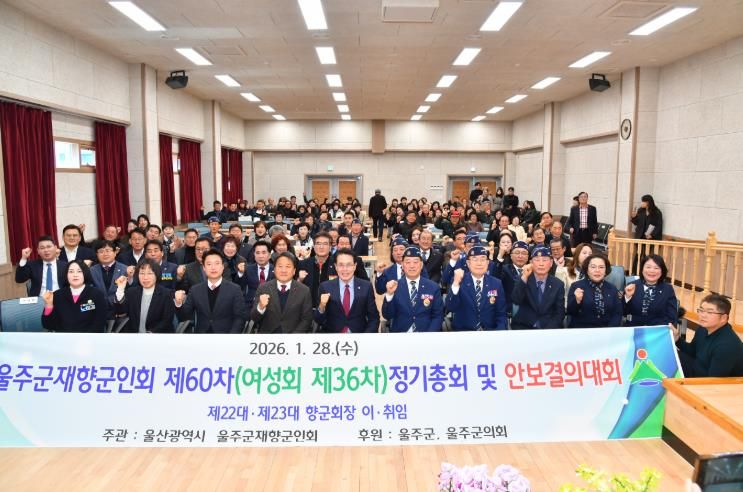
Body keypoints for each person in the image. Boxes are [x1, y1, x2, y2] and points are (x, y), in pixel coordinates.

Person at [174, 248, 248, 334]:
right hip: (202, 336)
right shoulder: (195, 290)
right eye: (209, 264)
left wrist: (231, 337)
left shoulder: (235, 289)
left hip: (226, 336)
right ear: (204, 268)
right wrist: (178, 303)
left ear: (222, 267)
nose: (213, 267)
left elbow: (240, 318)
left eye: (217, 263)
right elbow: (184, 317)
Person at [673, 295, 743, 377]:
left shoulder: (726, 345)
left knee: (672, 358)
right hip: (699, 369)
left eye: (709, 312)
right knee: (670, 353)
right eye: (701, 310)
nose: (703, 315)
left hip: (712, 381)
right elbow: (692, 351)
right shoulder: (703, 329)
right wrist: (677, 339)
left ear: (723, 318)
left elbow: (713, 380)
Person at [315, 248, 379, 333]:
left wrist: (365, 337)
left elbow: (374, 318)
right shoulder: (325, 287)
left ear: (355, 266)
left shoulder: (366, 287)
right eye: (341, 265)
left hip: (359, 336)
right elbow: (318, 320)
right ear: (336, 267)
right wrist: (322, 306)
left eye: (349, 265)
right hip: (333, 337)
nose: (345, 269)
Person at [381, 247, 444, 332]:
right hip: (401, 334)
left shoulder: (433, 287)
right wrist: (389, 295)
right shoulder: (395, 286)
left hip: (426, 334)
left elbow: (438, 316)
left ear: (421, 265)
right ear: (402, 265)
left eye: (415, 262)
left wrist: (429, 335)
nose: (412, 266)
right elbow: (387, 315)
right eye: (407, 262)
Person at [446, 246, 507, 331]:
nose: (479, 263)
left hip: (489, 332)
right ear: (468, 263)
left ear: (487, 263)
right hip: (464, 332)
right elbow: (451, 307)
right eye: (475, 259)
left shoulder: (496, 283)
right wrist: (456, 284)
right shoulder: (459, 280)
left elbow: (501, 314)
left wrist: (499, 332)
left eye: (483, 259)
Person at [250, 252, 313, 333]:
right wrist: (260, 307)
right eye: (280, 266)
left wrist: (293, 337)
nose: (283, 270)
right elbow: (254, 318)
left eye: (288, 267)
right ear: (274, 270)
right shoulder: (263, 288)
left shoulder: (304, 290)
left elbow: (306, 319)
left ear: (294, 271)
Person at [41, 260, 107, 333]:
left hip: (88, 337)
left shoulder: (97, 294)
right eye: (71, 272)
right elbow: (48, 325)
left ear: (85, 273)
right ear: (66, 275)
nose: (75, 275)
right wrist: (49, 305)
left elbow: (100, 322)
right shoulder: (57, 295)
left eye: (79, 271)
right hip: (63, 337)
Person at [113, 259, 176, 333]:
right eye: (142, 273)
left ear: (156, 275)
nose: (145, 277)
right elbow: (120, 312)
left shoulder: (166, 294)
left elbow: (167, 320)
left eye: (150, 273)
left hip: (157, 336)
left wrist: (151, 333)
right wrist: (120, 289)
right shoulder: (131, 292)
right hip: (134, 336)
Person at [510, 246, 565, 330]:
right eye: (537, 260)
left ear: (551, 263)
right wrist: (524, 277)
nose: (541, 264)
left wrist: (548, 331)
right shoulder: (522, 278)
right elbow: (516, 300)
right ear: (531, 263)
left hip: (549, 328)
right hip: (523, 326)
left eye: (545, 260)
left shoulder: (558, 284)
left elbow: (559, 313)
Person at [566, 254, 623, 328]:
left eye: (601, 267)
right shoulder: (576, 286)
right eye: (593, 267)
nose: (597, 270)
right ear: (587, 270)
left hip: (607, 331)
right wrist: (577, 301)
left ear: (606, 271)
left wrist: (610, 330)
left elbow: (617, 313)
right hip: (582, 331)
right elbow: (570, 312)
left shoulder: (612, 288)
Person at [623, 254, 678, 327]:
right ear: (642, 269)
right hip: (634, 328)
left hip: (656, 330)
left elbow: (672, 316)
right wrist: (627, 297)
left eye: (656, 268)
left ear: (662, 271)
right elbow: (622, 312)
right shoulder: (631, 286)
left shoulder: (668, 289)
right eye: (648, 267)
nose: (652, 271)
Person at [89, 239, 128, 317]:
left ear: (115, 253)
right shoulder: (91, 271)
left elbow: (128, 292)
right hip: (97, 311)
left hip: (119, 311)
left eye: (108, 250)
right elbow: (90, 291)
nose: (105, 254)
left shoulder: (125, 269)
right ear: (97, 254)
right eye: (101, 251)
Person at [298, 232, 336, 307]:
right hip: (308, 307)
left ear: (330, 247)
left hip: (331, 307)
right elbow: (295, 289)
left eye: (325, 244)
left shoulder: (337, 265)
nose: (321, 247)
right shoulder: (303, 264)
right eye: (318, 243)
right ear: (314, 246)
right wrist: (300, 279)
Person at [237, 240, 274, 310]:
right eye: (257, 253)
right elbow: (240, 287)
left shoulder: (276, 270)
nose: (260, 256)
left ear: (269, 255)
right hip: (250, 306)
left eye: (264, 252)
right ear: (254, 255)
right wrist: (240, 273)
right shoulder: (248, 269)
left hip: (272, 307)